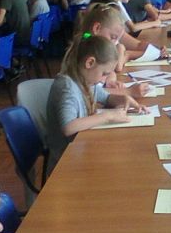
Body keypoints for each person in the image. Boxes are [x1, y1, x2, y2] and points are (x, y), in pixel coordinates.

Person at [45, 35, 148, 174]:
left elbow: (105, 97)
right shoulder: (67, 87)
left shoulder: (86, 80)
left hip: (82, 151)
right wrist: (107, 116)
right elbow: (68, 127)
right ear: (90, 63)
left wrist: (124, 99)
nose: (104, 79)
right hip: (65, 165)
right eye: (104, 73)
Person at [74, 3, 152, 97]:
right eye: (113, 37)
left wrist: (110, 81)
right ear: (97, 28)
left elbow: (111, 72)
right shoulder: (85, 49)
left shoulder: (96, 46)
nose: (114, 43)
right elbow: (89, 93)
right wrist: (129, 92)